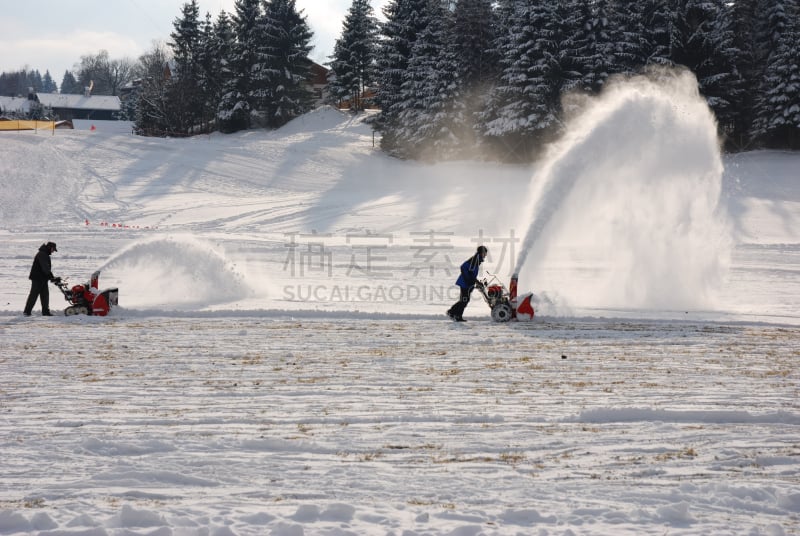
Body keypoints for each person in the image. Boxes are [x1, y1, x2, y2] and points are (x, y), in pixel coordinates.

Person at [447, 245, 488, 321]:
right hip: (465, 283)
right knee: (464, 300)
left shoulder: (477, 259)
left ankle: (455, 314)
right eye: (485, 253)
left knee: (464, 300)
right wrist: (467, 279)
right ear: (482, 253)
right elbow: (463, 267)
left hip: (468, 283)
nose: (486, 255)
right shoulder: (475, 259)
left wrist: (476, 281)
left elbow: (471, 273)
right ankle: (453, 313)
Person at [24, 242, 59, 317]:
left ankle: (45, 312)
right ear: (50, 247)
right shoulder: (42, 254)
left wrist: (51, 277)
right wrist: (51, 277)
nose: (53, 251)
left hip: (43, 278)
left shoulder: (44, 254)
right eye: (53, 249)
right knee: (33, 295)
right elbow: (45, 268)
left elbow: (46, 268)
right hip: (37, 278)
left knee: (45, 295)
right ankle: (27, 312)